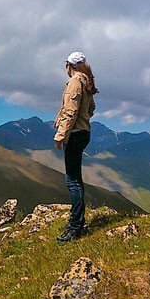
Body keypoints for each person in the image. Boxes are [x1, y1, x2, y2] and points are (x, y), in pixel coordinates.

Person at [53, 51, 98, 243]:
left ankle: (75, 227)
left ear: (69, 66)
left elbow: (70, 111)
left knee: (72, 180)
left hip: (74, 133)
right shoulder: (87, 82)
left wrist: (61, 135)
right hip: (84, 132)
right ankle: (77, 222)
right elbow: (91, 109)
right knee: (76, 179)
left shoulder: (74, 82)